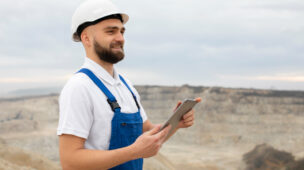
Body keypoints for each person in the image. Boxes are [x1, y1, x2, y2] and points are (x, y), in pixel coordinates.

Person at [57, 0, 200, 170]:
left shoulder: (125, 86)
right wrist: (133, 151)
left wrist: (176, 123)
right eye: (111, 32)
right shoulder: (79, 88)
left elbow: (147, 133)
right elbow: (70, 161)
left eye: (122, 32)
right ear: (86, 38)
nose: (120, 38)